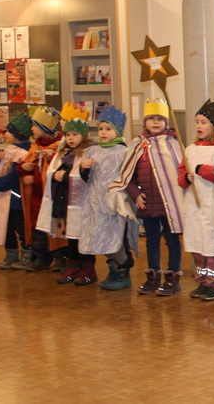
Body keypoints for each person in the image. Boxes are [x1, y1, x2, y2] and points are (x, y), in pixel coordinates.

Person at [111, 98, 186, 296]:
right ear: (144, 122)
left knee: (172, 240)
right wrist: (135, 195)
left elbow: (181, 171)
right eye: (151, 118)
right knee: (151, 240)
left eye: (159, 119)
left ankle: (172, 278)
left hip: (170, 203)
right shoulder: (137, 146)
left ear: (166, 122)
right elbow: (128, 176)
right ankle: (153, 276)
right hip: (148, 203)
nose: (155, 122)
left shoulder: (174, 144)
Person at [78, 105, 137, 290]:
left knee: (116, 237)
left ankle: (122, 270)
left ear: (118, 131)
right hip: (95, 203)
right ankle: (113, 269)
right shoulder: (93, 151)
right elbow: (86, 179)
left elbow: (128, 176)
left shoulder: (124, 152)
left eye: (108, 129)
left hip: (114, 204)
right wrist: (83, 168)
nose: (103, 133)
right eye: (101, 129)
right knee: (99, 237)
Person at [178, 100, 214, 302]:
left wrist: (202, 170)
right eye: (196, 122)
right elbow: (181, 171)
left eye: (203, 122)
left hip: (213, 205)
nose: (199, 126)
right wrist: (185, 178)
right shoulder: (190, 149)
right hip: (194, 205)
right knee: (198, 246)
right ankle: (202, 280)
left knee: (212, 246)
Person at [36, 113, 95, 285]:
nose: (70, 138)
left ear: (83, 135)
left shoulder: (88, 153)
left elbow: (86, 177)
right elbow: (51, 173)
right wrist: (57, 175)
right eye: (68, 134)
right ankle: (73, 265)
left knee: (83, 235)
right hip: (64, 202)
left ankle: (88, 268)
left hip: (81, 204)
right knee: (70, 236)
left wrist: (66, 174)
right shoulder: (62, 153)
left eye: (75, 134)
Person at [14, 107, 62, 272]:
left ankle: (60, 258)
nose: (32, 129)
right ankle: (40, 258)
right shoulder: (35, 146)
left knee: (55, 227)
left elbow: (53, 173)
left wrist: (33, 178)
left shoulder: (58, 148)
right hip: (36, 198)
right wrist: (23, 167)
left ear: (45, 128)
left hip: (52, 197)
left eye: (35, 126)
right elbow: (26, 166)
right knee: (38, 228)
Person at [0, 112, 32, 269]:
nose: (4, 134)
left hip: (14, 198)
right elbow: (1, 169)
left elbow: (15, 175)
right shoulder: (10, 150)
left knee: (20, 226)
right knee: (6, 227)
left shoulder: (22, 153)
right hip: (5, 196)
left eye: (8, 132)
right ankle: (11, 253)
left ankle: (27, 254)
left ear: (17, 134)